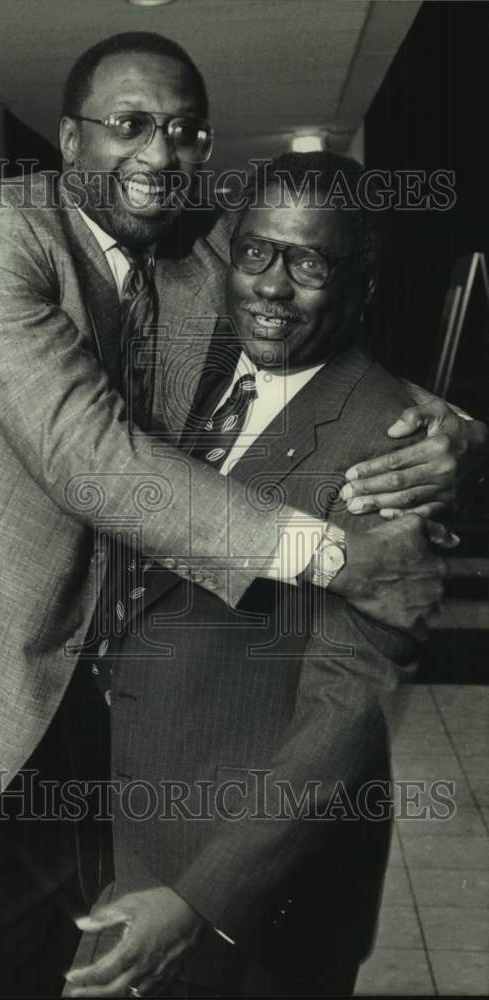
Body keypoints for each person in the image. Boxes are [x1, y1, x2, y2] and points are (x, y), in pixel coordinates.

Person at [0, 33, 483, 999]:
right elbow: (86, 456)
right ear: (69, 138)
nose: (158, 153)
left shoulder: (195, 253)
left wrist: (454, 430)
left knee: (14, 981)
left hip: (64, 717)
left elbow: (312, 303)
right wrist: (335, 556)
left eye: (183, 131)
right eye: (129, 125)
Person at [63, 151, 466, 998]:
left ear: (361, 285)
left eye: (310, 263)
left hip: (253, 890)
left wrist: (199, 900)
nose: (272, 286)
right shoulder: (191, 374)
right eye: (255, 252)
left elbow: (345, 716)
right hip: (138, 827)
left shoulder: (391, 450)